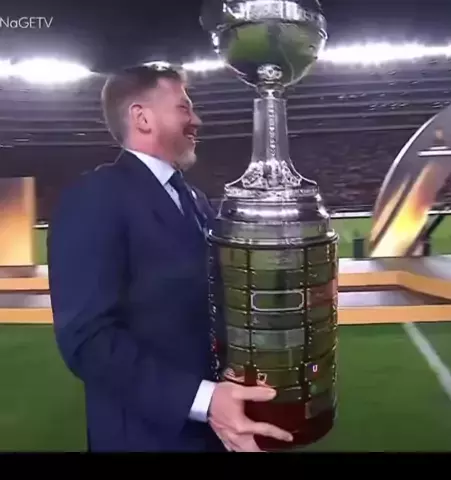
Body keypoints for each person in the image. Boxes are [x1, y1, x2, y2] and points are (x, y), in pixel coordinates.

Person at [47, 65, 293, 452]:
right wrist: (204, 400)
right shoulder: (95, 196)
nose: (197, 120)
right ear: (142, 118)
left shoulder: (195, 199)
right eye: (184, 108)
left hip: (219, 430)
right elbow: (88, 339)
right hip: (146, 438)